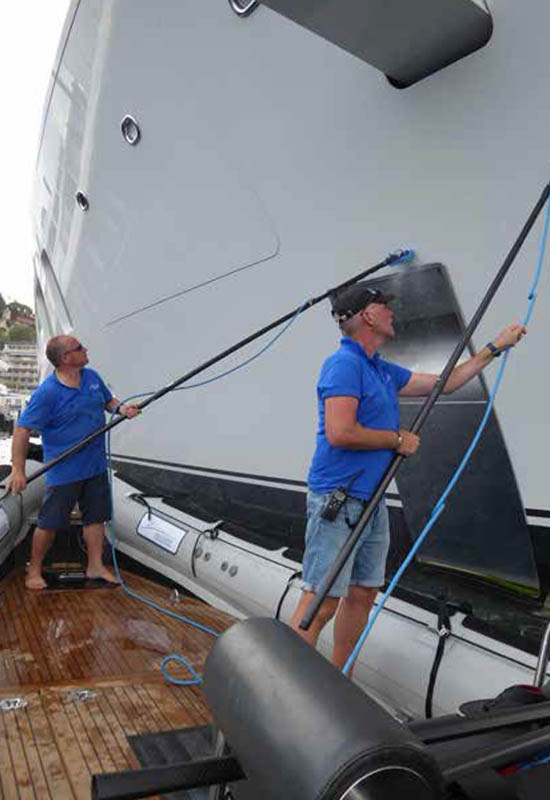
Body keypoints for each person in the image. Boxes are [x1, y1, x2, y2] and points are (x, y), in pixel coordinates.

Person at [290, 283, 526, 673]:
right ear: (368, 315)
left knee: (363, 593)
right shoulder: (344, 365)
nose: (392, 312)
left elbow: (444, 383)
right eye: (385, 306)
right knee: (321, 602)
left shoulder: (379, 368)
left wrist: (495, 348)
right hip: (338, 499)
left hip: (372, 500)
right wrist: (397, 439)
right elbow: (340, 432)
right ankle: (287, 689)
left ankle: (338, 679)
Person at [8, 335, 140, 590]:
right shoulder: (47, 393)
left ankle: (95, 566)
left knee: (96, 518)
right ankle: (33, 571)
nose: (85, 349)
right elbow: (23, 430)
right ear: (66, 358)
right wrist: (18, 470)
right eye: (79, 348)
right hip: (64, 470)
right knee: (50, 522)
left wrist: (122, 409)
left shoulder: (91, 377)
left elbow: (108, 401)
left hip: (95, 466)